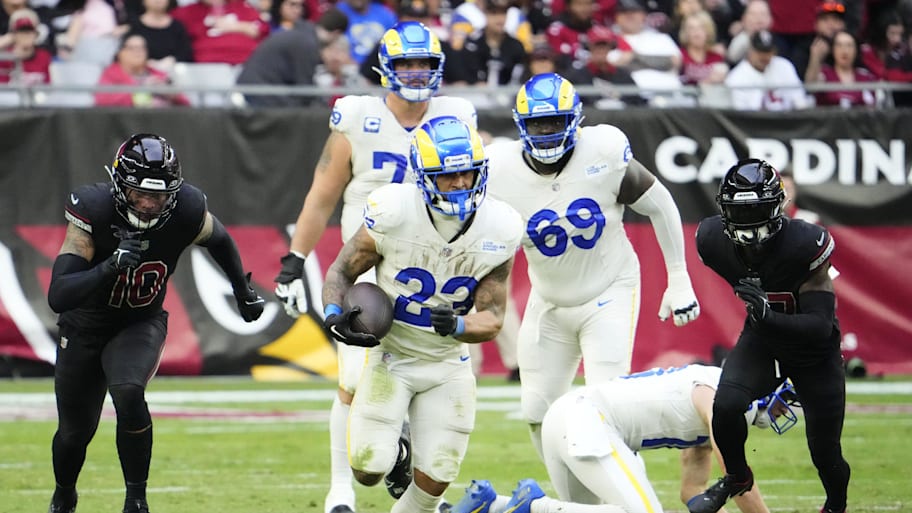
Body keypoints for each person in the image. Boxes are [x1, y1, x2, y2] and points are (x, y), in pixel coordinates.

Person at [272, 20, 477, 513]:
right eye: (405, 62)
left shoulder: (456, 116)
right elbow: (322, 198)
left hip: (431, 268)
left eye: (424, 62)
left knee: (432, 377)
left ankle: (417, 487)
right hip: (366, 269)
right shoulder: (357, 118)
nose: (414, 71)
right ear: (386, 68)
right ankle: (340, 488)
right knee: (352, 378)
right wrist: (294, 260)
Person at [485, 72, 701, 463]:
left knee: (608, 409)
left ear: (575, 120)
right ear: (521, 126)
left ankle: (625, 501)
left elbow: (660, 203)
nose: (547, 132)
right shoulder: (498, 169)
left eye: (555, 121)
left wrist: (679, 277)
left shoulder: (602, 151)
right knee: (537, 412)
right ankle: (574, 502)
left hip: (609, 291)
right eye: (538, 123)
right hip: (548, 300)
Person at [45, 134, 265, 513]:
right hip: (83, 325)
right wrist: (109, 266)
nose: (148, 204)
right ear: (118, 186)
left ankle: (136, 501)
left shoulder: (186, 209)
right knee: (74, 433)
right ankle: (65, 492)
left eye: (159, 196)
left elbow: (219, 238)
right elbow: (59, 295)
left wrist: (242, 290)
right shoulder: (93, 209)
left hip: (139, 322)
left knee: (129, 392)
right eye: (138, 194)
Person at [321, 115, 524, 513]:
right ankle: (399, 453)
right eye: (448, 176)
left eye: (467, 173)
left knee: (436, 477)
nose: (461, 183)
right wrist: (333, 312)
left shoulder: (500, 226)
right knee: (367, 467)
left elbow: (494, 317)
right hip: (392, 357)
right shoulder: (393, 210)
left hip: (447, 363)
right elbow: (343, 269)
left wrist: (462, 324)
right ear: (422, 175)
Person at [687, 159, 850, 513]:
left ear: (777, 206)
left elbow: (820, 326)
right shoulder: (712, 240)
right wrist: (763, 319)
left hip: (814, 352)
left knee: (825, 451)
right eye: (739, 211)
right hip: (763, 340)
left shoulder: (804, 242)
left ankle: (836, 505)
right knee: (726, 405)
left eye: (757, 210)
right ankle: (737, 476)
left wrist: (766, 313)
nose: (748, 221)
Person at [451, 364, 798, 513]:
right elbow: (738, 475)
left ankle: (492, 503)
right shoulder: (718, 394)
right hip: (588, 421)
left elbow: (692, 490)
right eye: (787, 397)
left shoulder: (715, 392)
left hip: (569, 418)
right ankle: (532, 506)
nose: (786, 409)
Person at [94, 33, 191, 107]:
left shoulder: (159, 74)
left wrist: (171, 94)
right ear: (120, 53)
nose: (138, 52)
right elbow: (103, 101)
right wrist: (141, 90)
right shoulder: (111, 74)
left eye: (142, 48)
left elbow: (185, 103)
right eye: (132, 48)